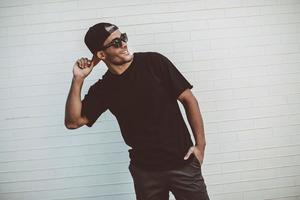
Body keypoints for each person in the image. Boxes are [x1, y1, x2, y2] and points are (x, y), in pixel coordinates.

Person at [64, 22, 210, 200]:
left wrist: (200, 146)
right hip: (145, 173)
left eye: (123, 37)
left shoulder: (153, 62)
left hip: (183, 164)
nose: (124, 44)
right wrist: (78, 79)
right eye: (116, 42)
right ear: (101, 54)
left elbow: (189, 100)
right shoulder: (104, 88)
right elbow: (73, 122)